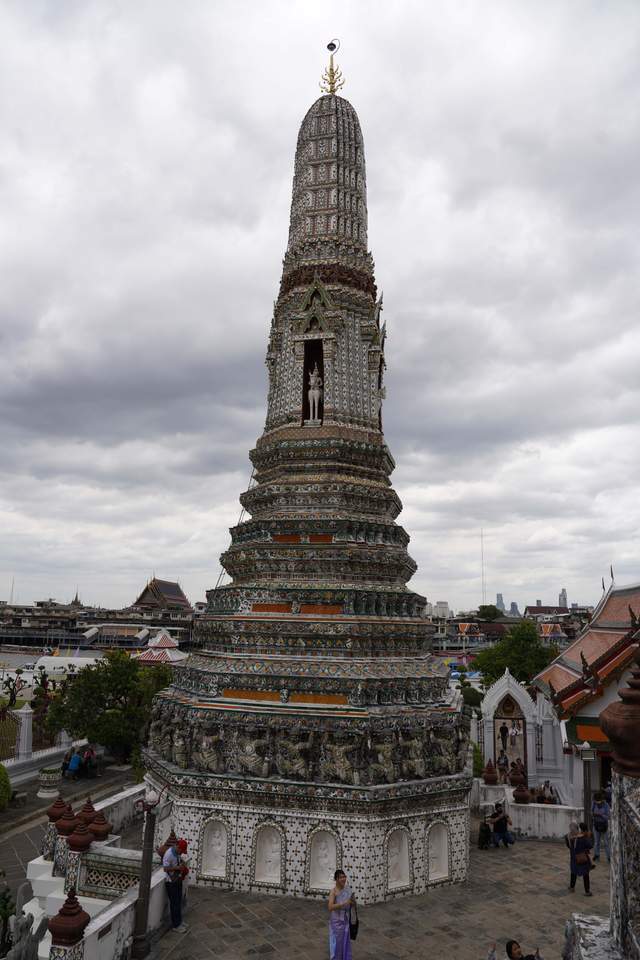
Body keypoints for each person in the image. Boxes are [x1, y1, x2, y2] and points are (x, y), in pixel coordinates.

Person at [163, 838, 189, 933]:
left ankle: (179, 922)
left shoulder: (177, 853)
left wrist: (182, 864)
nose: (181, 853)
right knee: (174, 903)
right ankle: (176, 925)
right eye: (181, 851)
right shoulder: (168, 854)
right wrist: (177, 867)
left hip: (177, 880)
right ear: (178, 847)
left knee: (178, 901)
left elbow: (178, 861)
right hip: (171, 882)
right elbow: (165, 868)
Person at [328, 868, 354, 960]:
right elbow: (330, 907)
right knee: (337, 943)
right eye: (341, 877)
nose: (343, 879)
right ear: (336, 879)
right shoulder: (333, 892)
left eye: (344, 877)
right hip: (336, 922)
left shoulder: (347, 889)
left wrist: (352, 902)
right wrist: (344, 903)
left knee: (345, 941)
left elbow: (350, 903)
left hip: (345, 919)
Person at [566, 821, 593, 896]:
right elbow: (590, 845)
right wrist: (588, 837)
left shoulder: (568, 836)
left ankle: (572, 887)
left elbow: (568, 846)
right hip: (582, 858)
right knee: (585, 874)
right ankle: (587, 891)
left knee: (573, 872)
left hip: (573, 858)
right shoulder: (582, 838)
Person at [591, 792, 611, 862]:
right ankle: (597, 855)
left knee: (606, 842)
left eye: (598, 801)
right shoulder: (594, 803)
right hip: (596, 824)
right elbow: (591, 812)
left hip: (604, 825)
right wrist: (593, 814)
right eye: (596, 801)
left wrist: (601, 815)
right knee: (597, 842)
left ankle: (609, 857)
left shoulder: (606, 805)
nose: (597, 802)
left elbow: (608, 816)